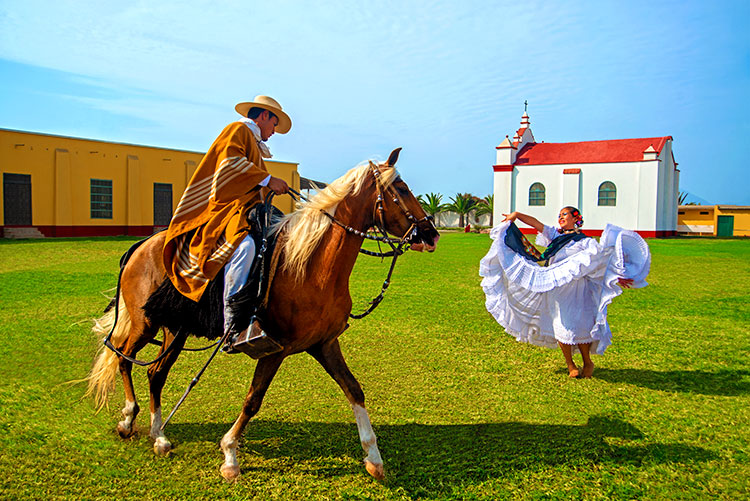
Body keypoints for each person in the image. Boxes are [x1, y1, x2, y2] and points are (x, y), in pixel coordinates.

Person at [162, 95, 291, 339]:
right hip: (226, 210)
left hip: (242, 209)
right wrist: (268, 180)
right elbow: (230, 165)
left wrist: (267, 185)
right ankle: (233, 324)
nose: (274, 131)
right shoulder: (238, 130)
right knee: (245, 247)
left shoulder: (252, 141)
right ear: (264, 115)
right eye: (274, 124)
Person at [479, 206, 651, 378]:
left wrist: (618, 277)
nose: (560, 217)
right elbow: (537, 224)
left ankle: (587, 361)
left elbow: (600, 262)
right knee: (561, 326)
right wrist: (516, 215)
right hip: (556, 290)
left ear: (575, 218)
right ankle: (570, 365)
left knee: (581, 325)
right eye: (559, 215)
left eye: (565, 215)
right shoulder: (555, 236)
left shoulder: (586, 242)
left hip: (578, 290)